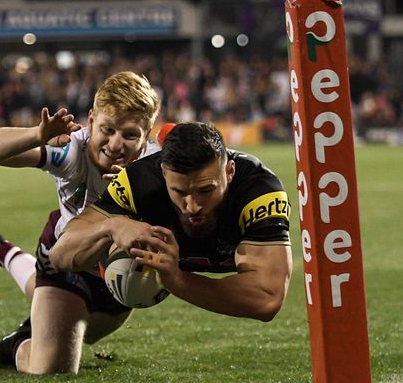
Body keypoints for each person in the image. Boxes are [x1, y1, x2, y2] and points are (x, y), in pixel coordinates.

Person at [0, 71, 161, 374]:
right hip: (65, 257)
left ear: (147, 134)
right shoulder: (71, 151)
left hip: (116, 272)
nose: (116, 144)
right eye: (108, 129)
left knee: (85, 329)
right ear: (90, 121)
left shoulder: (158, 165)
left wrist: (142, 189)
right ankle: (21, 342)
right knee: (52, 367)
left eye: (129, 135)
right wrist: (36, 135)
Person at [45, 122, 293, 360]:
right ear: (164, 174)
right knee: (70, 343)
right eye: (180, 192)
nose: (192, 206)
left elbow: (267, 298)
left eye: (206, 191)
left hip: (179, 266)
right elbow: (60, 255)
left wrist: (178, 280)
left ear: (229, 172)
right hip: (121, 277)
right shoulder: (139, 181)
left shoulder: (260, 191)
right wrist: (111, 226)